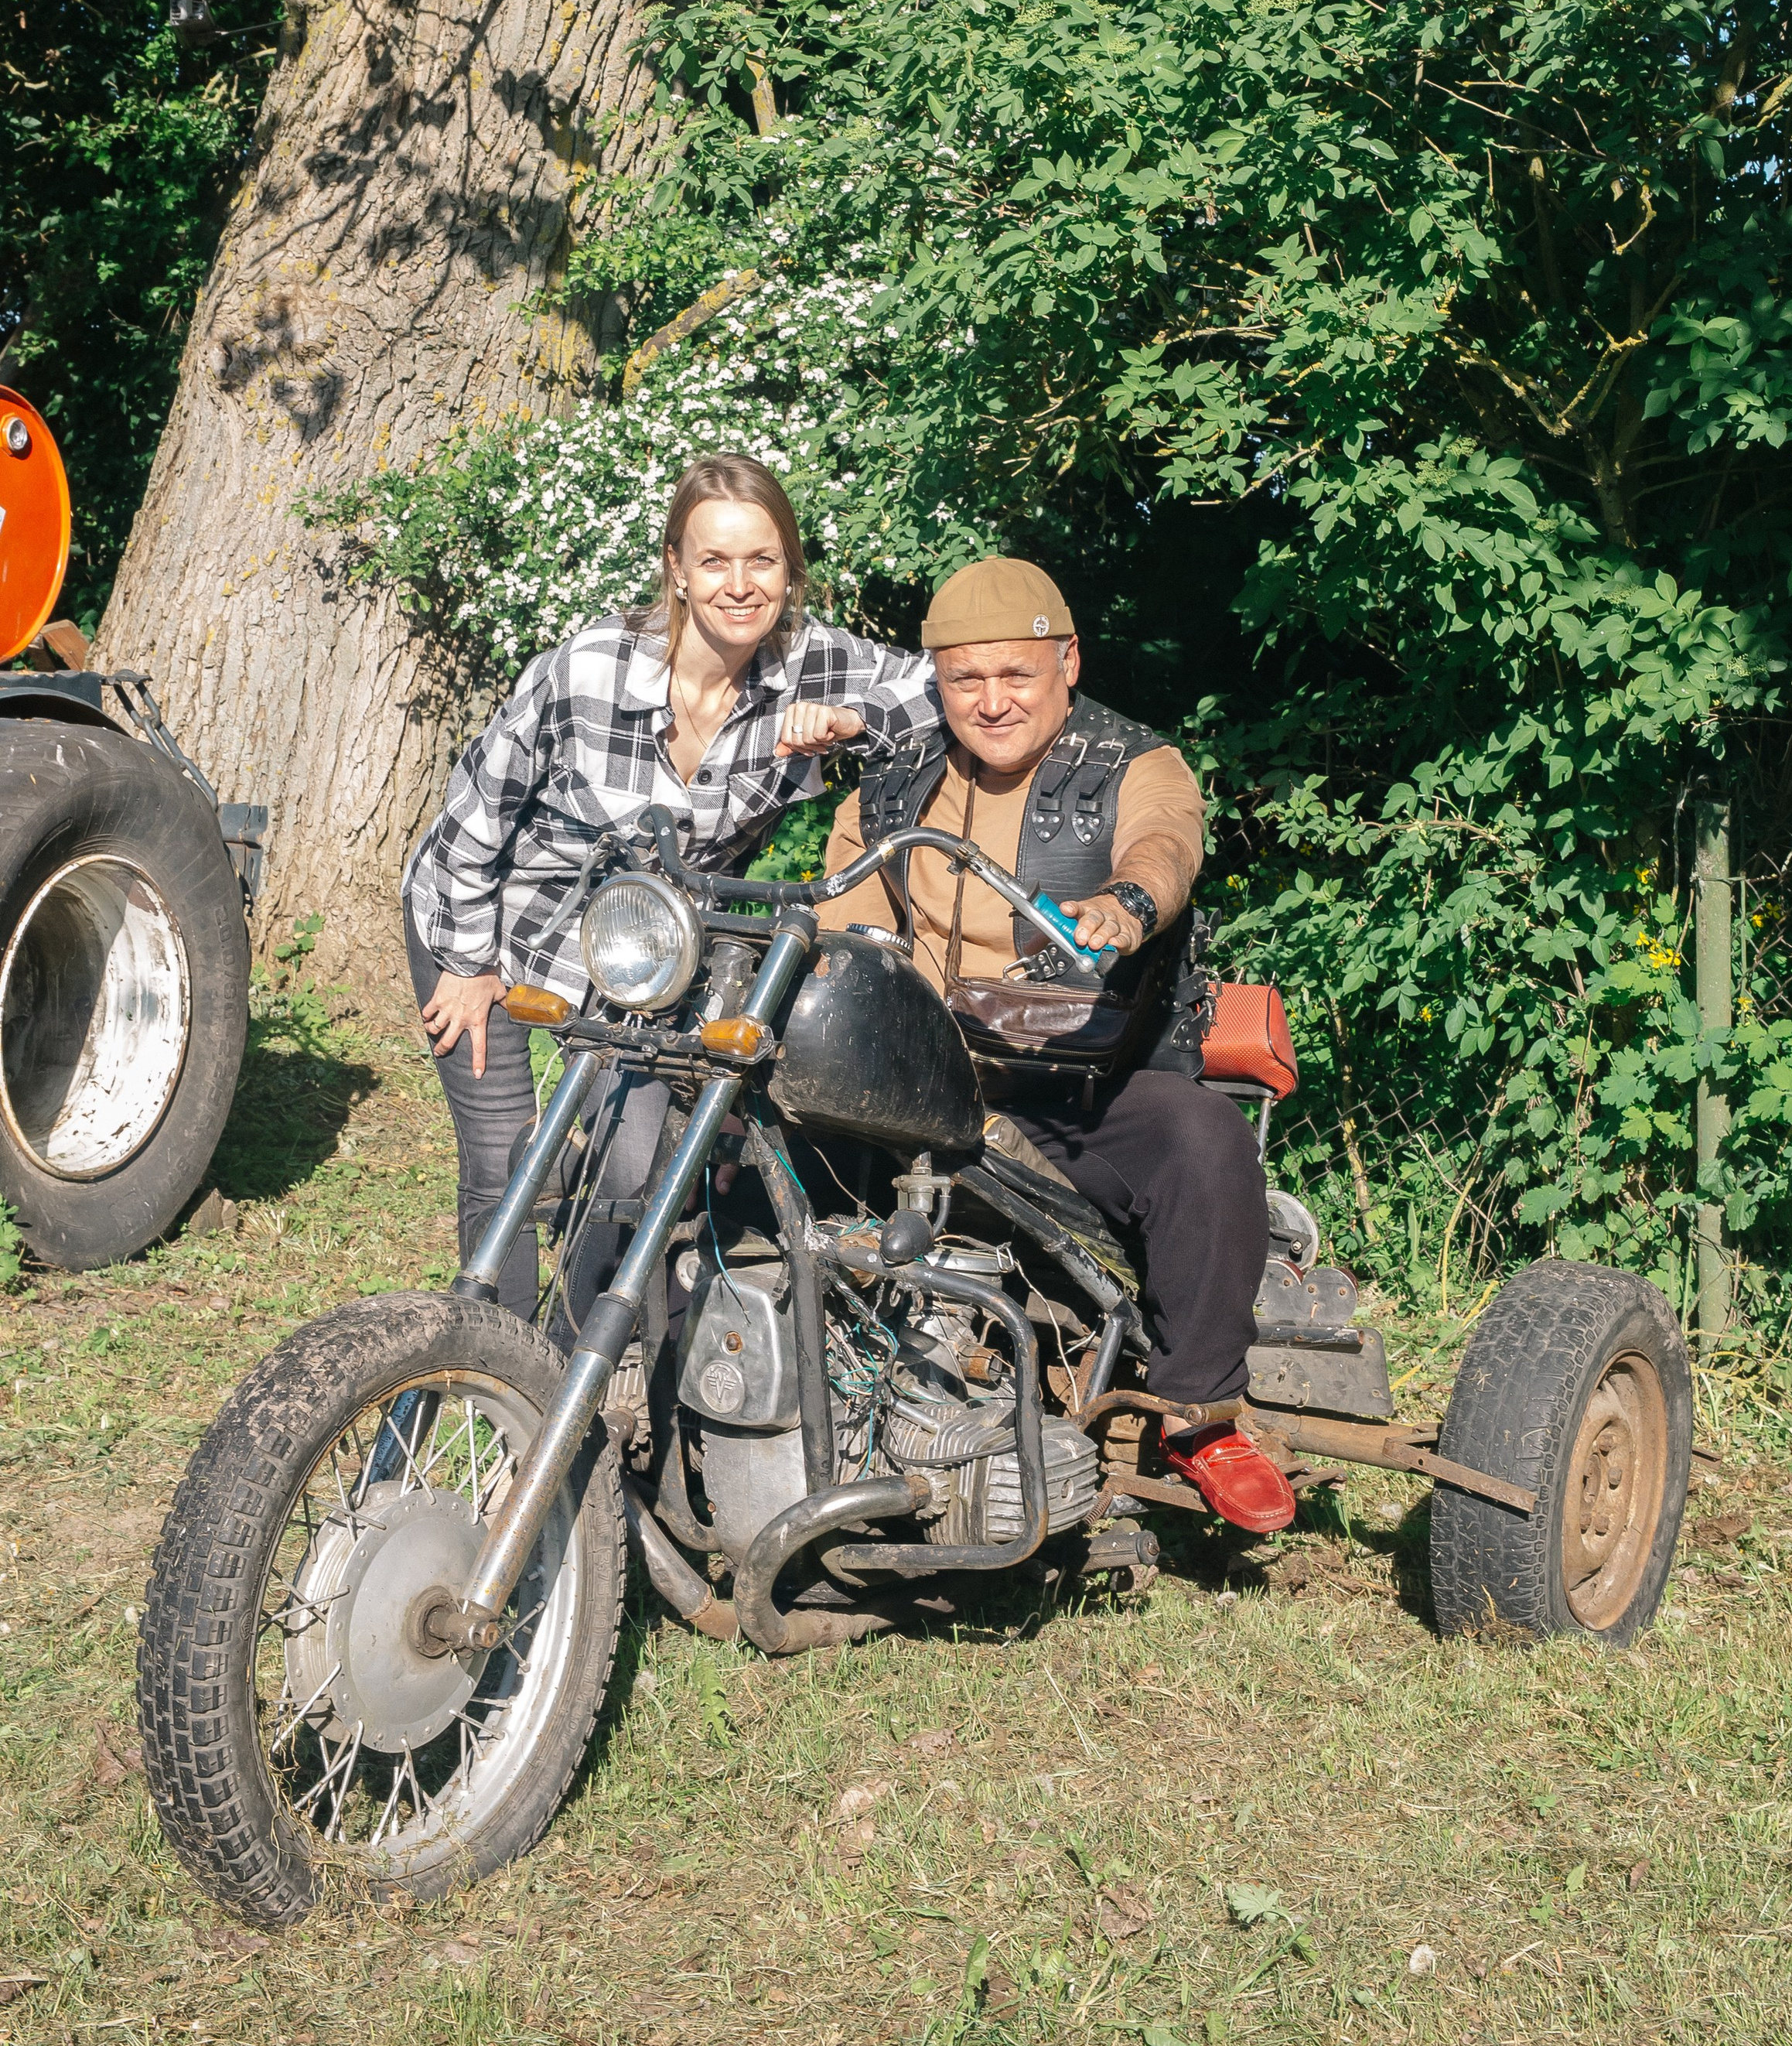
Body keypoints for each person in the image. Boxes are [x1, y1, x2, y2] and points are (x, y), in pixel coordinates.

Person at [813, 555, 1296, 1535]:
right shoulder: (891, 785)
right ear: (937, 681)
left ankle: (1200, 1414)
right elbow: (847, 922)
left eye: (1016, 675)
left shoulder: (1134, 763)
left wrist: (1125, 905)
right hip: (932, 1079)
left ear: (1067, 662)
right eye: (965, 680)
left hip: (1093, 1086)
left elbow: (1165, 844)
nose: (991, 702)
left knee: (1204, 1140)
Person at [403, 453, 940, 1322]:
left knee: (628, 1168)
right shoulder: (586, 670)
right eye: (715, 561)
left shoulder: (811, 663)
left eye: (761, 561)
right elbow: (475, 817)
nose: (739, 584)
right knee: (504, 1161)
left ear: (789, 571)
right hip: (491, 917)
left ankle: (577, 1376)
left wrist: (854, 723)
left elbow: (943, 690)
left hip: (648, 951)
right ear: (677, 571)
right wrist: (465, 965)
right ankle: (490, 1360)